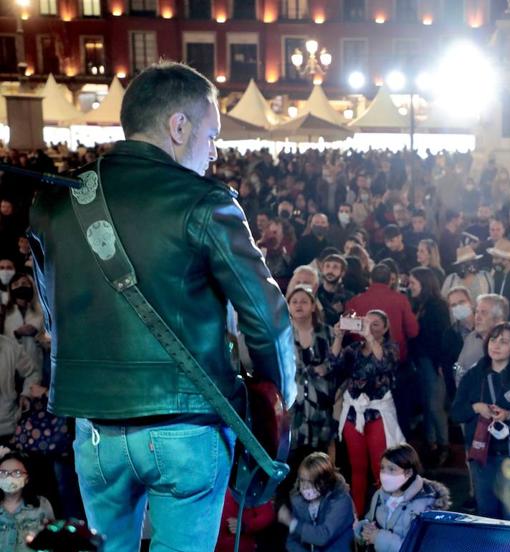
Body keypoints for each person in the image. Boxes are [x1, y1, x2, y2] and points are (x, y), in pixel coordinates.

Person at [29, 61, 296, 552]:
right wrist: (278, 403)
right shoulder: (204, 202)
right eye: (211, 136)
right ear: (179, 126)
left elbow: (52, 314)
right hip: (186, 429)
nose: (214, 153)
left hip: (93, 427)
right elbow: (267, 316)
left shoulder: (54, 202)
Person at [451, 323, 510, 520]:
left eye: (503, 342)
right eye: (493, 340)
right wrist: (475, 408)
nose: (496, 345)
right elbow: (456, 413)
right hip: (482, 457)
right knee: (487, 515)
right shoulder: (474, 375)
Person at [329, 310, 404, 516]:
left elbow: (383, 364)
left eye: (376, 324)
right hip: (354, 415)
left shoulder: (391, 348)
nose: (370, 327)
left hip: (377, 414)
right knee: (357, 470)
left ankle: (385, 516)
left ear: (386, 328)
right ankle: (356, 517)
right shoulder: (353, 349)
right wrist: (338, 337)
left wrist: (370, 337)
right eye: (366, 323)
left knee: (381, 469)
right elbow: (334, 364)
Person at [354, 444, 451, 552]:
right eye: (382, 468)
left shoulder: (427, 504)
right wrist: (364, 530)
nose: (384, 474)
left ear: (408, 472)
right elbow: (370, 522)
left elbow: (420, 547)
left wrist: (378, 538)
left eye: (391, 469)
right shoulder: (379, 495)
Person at [407, 267, 452, 466]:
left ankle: (444, 445)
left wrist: (442, 362)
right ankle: (431, 443)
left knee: (435, 405)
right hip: (421, 361)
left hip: (433, 362)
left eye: (413, 283)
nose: (409, 287)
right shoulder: (419, 304)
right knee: (426, 404)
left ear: (424, 284)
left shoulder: (438, 306)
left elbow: (443, 336)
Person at [287, 285, 335, 464]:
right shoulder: (283, 333)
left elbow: (337, 362)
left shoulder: (327, 332)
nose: (299, 305)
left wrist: (325, 368)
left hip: (320, 401)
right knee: (291, 451)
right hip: (293, 401)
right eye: (294, 302)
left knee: (318, 453)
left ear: (313, 306)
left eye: (304, 302)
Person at [279, 452, 356, 552]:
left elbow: (323, 537)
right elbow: (292, 541)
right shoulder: (299, 501)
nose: (305, 487)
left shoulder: (340, 500)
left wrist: (292, 522)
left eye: (310, 481)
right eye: (302, 480)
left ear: (324, 481)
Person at [0, 451, 54, 552]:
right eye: (3, 473)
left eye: (17, 473)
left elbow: (53, 541)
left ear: (27, 478)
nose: (9, 477)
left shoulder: (42, 504)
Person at [316, 254, 354, 328]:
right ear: (322, 270)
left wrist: (340, 313)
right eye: (327, 266)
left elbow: (353, 326)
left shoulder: (349, 297)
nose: (330, 271)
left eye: (335, 267)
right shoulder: (314, 293)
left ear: (342, 273)